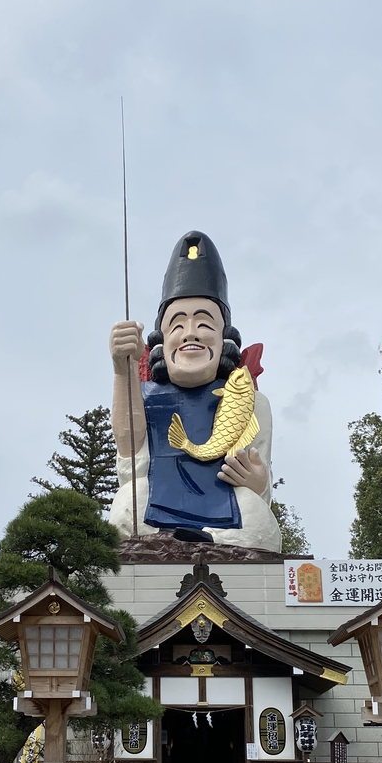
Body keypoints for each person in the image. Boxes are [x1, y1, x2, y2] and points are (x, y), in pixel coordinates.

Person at [108, 230, 281, 551]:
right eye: (177, 325)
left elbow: (259, 486)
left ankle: (206, 543)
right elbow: (131, 464)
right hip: (159, 502)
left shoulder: (251, 401)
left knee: (257, 516)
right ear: (162, 340)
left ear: (224, 338)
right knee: (126, 503)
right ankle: (170, 542)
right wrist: (123, 371)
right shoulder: (146, 396)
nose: (191, 334)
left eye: (204, 324)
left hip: (225, 509)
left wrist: (256, 482)